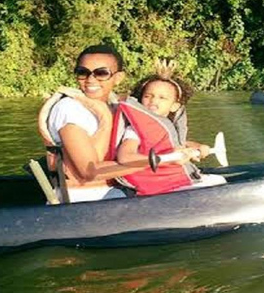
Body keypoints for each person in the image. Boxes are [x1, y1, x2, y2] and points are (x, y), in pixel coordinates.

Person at [40, 44, 159, 203]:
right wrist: (160, 160)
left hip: (117, 191)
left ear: (118, 78)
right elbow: (89, 172)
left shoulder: (117, 106)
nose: (90, 80)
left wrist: (183, 149)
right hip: (83, 198)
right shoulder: (68, 109)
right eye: (83, 73)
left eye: (101, 73)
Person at [115, 60, 227, 195]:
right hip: (159, 185)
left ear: (175, 106)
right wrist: (167, 158)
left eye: (162, 98)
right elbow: (124, 157)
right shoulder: (134, 130)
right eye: (148, 96)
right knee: (217, 184)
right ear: (140, 100)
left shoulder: (168, 126)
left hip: (175, 181)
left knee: (218, 180)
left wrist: (197, 147)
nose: (153, 101)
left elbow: (179, 144)